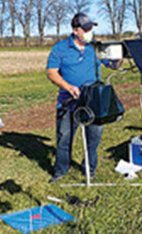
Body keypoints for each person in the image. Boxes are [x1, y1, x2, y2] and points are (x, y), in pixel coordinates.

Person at [45, 12, 121, 181]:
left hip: (94, 101)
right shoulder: (60, 48)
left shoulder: (95, 47)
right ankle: (60, 172)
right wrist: (68, 87)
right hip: (68, 101)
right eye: (86, 29)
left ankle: (89, 169)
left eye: (90, 28)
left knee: (94, 137)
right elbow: (51, 73)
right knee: (64, 137)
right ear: (75, 30)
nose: (89, 32)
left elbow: (113, 65)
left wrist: (118, 56)